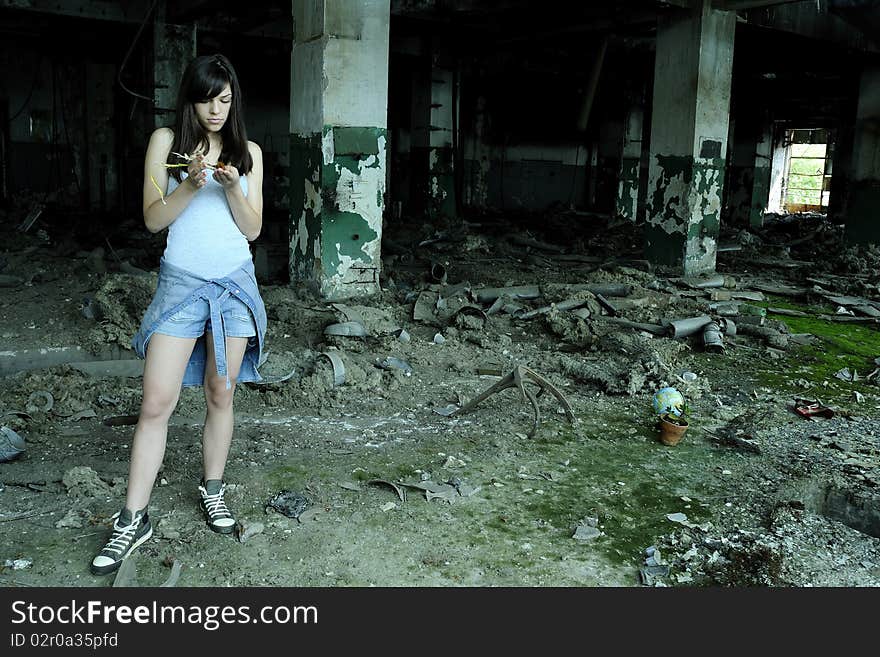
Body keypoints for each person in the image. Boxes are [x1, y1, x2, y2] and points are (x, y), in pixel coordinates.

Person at [90, 54, 267, 575]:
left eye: (226, 99)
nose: (217, 109)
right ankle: (133, 518)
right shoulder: (165, 143)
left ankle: (213, 489)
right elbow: (151, 220)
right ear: (190, 97)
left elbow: (252, 230)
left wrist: (233, 185)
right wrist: (189, 184)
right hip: (181, 286)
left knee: (221, 392)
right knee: (156, 401)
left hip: (233, 286)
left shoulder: (248, 152)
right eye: (208, 97)